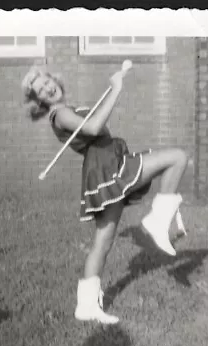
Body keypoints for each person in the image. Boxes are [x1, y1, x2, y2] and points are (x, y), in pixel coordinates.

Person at [21, 66, 188, 324]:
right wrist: (117, 88)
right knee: (178, 157)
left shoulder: (64, 109)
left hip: (104, 166)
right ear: (39, 100)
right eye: (41, 90)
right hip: (108, 167)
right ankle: (157, 221)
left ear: (55, 79)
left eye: (48, 82)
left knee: (103, 242)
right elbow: (95, 127)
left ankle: (86, 307)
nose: (48, 88)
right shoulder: (61, 114)